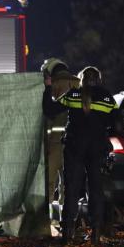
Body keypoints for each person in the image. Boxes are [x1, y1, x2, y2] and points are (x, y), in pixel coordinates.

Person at [43, 66, 117, 244]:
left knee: (72, 189)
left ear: (81, 80)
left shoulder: (72, 95)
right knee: (96, 190)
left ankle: (68, 232)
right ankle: (96, 232)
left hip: (74, 147)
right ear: (99, 79)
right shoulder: (107, 97)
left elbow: (50, 110)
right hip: (97, 148)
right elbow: (117, 125)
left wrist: (47, 87)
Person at [40, 58, 81, 221]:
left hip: (54, 143)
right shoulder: (78, 83)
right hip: (74, 142)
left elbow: (48, 112)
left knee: (49, 185)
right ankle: (68, 221)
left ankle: (48, 221)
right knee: (68, 185)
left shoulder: (52, 85)